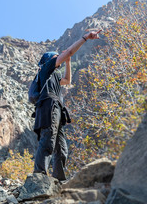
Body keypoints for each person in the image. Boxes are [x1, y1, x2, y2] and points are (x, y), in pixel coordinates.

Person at [33, 30, 101, 181]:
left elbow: (67, 81)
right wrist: (85, 38)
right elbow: (69, 51)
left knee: (61, 148)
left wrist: (68, 61)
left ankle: (58, 180)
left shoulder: (53, 75)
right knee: (48, 141)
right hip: (49, 107)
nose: (60, 59)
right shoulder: (46, 68)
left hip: (55, 109)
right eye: (57, 58)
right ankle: (38, 179)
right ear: (51, 60)